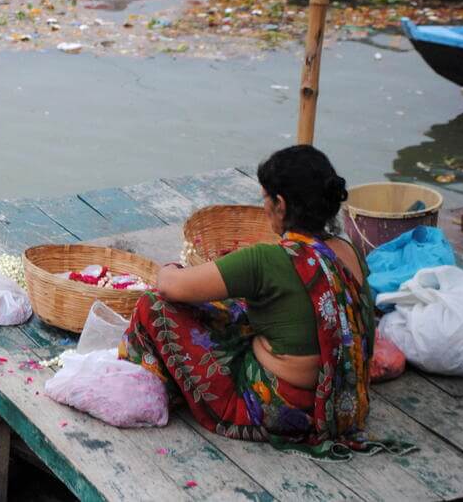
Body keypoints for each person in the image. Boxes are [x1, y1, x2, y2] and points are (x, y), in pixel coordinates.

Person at [121, 145, 415, 460]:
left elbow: (169, 288)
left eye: (265, 198)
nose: (264, 207)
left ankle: (154, 392)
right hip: (346, 406)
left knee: (153, 306)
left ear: (281, 204)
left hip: (280, 410)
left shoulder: (267, 259)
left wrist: (170, 269)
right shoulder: (349, 249)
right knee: (242, 309)